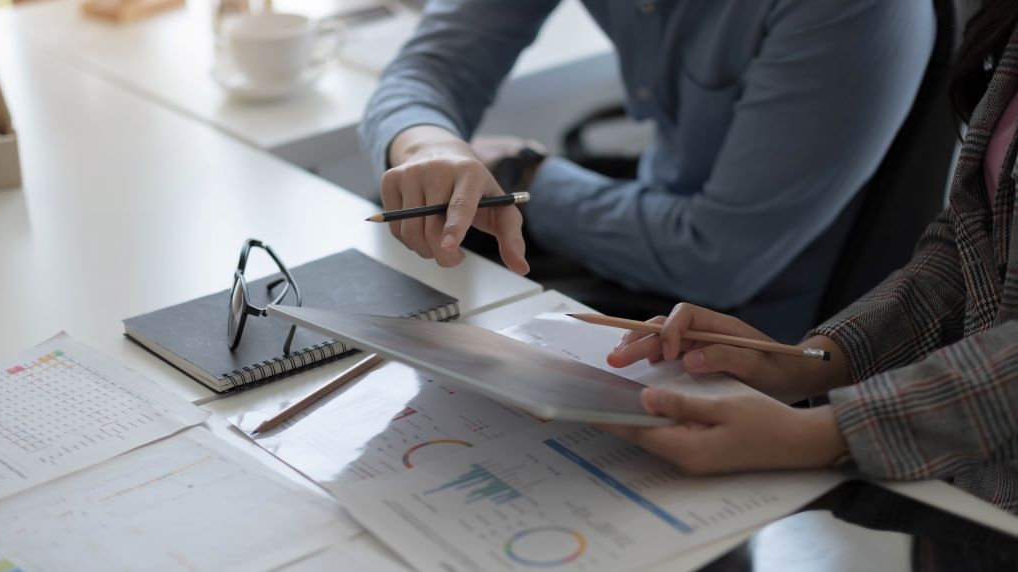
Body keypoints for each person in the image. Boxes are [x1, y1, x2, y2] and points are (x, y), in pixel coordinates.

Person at [600, 1, 1018, 512]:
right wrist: (808, 364)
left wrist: (830, 432)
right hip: (972, 498)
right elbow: (970, 246)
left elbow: (714, 253)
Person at [359, 0, 936, 341]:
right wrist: (427, 147)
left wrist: (523, 173)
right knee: (406, 263)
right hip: (653, 224)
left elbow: (718, 258)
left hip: (750, 314)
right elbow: (429, 69)